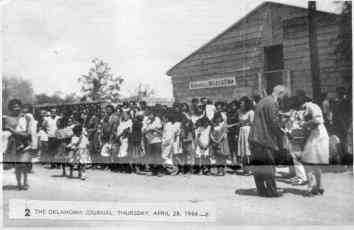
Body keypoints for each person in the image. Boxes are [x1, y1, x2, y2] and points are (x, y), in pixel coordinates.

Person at [249, 85, 288, 197]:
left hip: (254, 138)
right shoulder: (272, 102)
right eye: (283, 96)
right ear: (280, 93)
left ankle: (261, 190)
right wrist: (283, 133)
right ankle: (271, 191)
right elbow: (273, 122)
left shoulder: (263, 101)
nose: (283, 99)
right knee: (269, 166)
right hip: (263, 139)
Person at [298, 96, 329, 196]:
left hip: (317, 135)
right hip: (318, 134)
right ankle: (320, 186)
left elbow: (318, 120)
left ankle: (310, 188)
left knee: (307, 161)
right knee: (315, 162)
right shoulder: (311, 106)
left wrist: (305, 124)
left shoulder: (310, 106)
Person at [3, 99, 32, 190]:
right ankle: (19, 183)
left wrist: (12, 130)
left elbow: (27, 132)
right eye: (14, 107)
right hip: (13, 144)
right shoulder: (6, 118)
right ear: (11, 108)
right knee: (17, 165)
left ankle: (25, 182)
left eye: (18, 107)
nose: (16, 108)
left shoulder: (25, 117)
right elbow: (5, 132)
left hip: (25, 143)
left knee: (24, 163)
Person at [142, 108, 163, 176]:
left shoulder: (157, 119)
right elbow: (144, 131)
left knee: (157, 156)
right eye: (149, 115)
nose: (150, 116)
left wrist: (153, 129)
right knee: (151, 156)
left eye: (151, 114)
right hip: (149, 140)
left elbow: (159, 129)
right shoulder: (146, 120)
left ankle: (159, 171)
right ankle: (153, 171)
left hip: (157, 140)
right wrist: (149, 129)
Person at [236, 96, 254, 175]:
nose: (240, 104)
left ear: (246, 103)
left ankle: (251, 169)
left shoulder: (251, 112)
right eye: (240, 103)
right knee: (243, 151)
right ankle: (245, 169)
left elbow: (252, 123)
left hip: (248, 131)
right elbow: (239, 123)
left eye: (242, 102)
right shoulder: (239, 111)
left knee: (248, 150)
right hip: (241, 131)